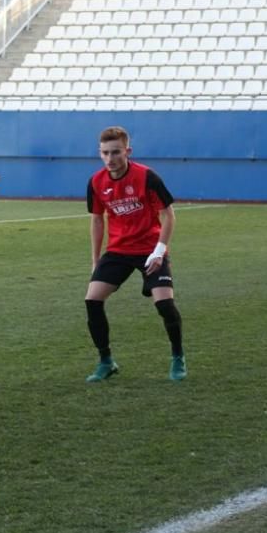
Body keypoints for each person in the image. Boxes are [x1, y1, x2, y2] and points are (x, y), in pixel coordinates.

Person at [85, 126, 187, 383]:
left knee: (165, 304)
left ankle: (178, 357)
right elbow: (98, 220)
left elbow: (168, 215)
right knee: (92, 300)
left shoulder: (147, 177)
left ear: (127, 151)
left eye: (116, 152)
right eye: (105, 153)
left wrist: (160, 252)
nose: (110, 159)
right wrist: (96, 260)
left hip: (150, 249)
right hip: (118, 251)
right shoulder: (96, 182)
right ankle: (106, 361)